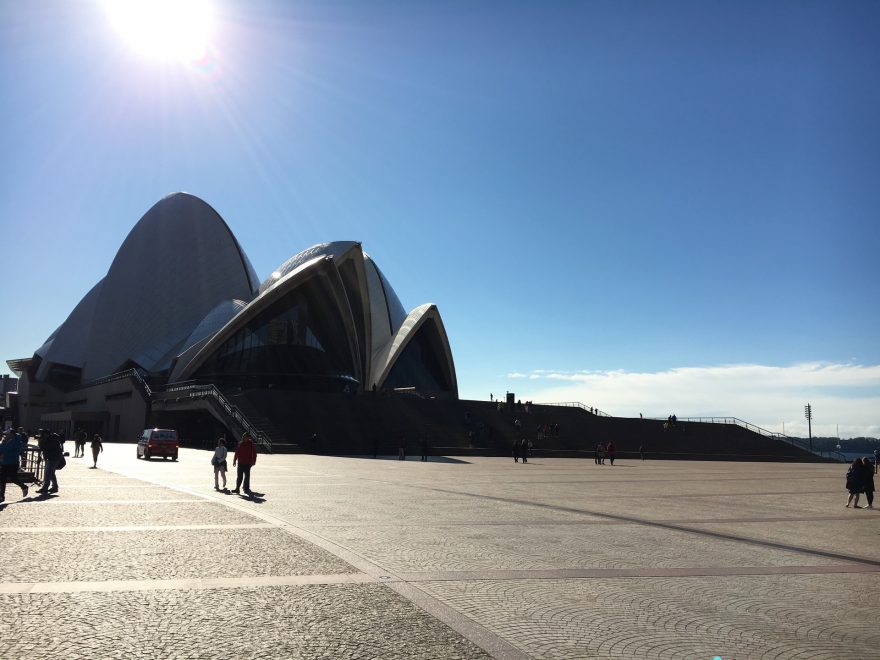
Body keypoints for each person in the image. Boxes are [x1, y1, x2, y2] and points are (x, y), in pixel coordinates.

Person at [0, 429, 28, 502]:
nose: (5, 435)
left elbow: (15, 453)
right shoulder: (4, 440)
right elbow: (1, 448)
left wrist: (4, 454)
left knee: (13, 478)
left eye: (7, 434)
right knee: (2, 480)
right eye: (5, 434)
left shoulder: (17, 442)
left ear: (12, 434)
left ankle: (24, 487)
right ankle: (1, 496)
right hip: (4, 463)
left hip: (13, 463)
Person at [38, 430, 63, 494]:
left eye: (42, 434)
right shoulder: (49, 439)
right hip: (52, 458)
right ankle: (55, 487)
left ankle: (45, 488)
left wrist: (43, 442)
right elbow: (42, 448)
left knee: (47, 473)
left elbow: (48, 448)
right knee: (51, 473)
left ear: (46, 434)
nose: (41, 436)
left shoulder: (52, 439)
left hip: (53, 458)